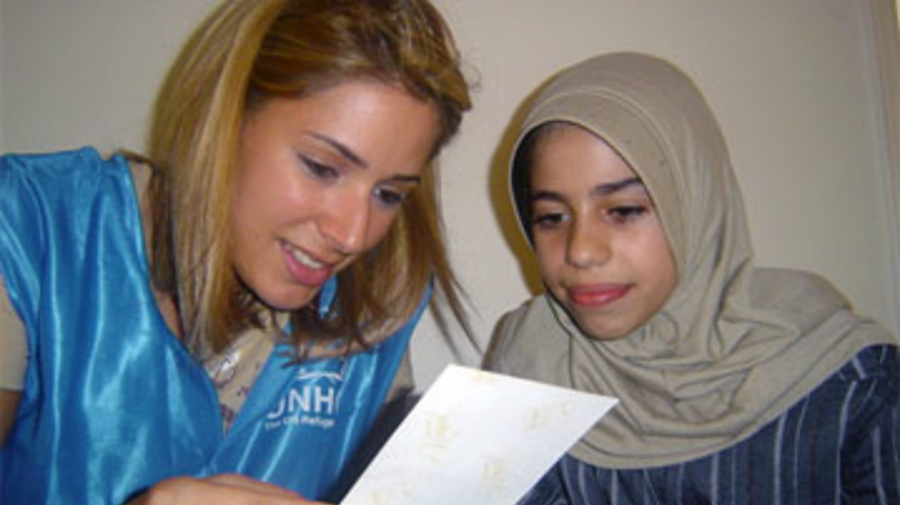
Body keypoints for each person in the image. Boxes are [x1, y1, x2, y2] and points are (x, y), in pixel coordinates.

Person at [0, 0, 471, 504]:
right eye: (321, 167)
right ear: (225, 117)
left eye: (389, 194)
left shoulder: (376, 305)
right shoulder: (32, 229)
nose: (353, 236)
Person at [484, 52, 900, 504]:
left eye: (623, 210)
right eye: (551, 217)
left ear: (697, 205)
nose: (581, 250)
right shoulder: (529, 367)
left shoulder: (850, 380)